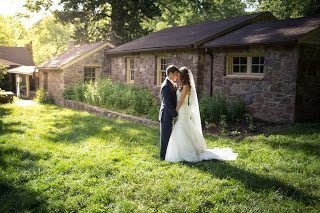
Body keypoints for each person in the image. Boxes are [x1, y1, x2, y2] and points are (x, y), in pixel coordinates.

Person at [165, 67, 238, 162]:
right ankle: (188, 149)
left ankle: (187, 151)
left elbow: (181, 100)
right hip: (181, 110)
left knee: (181, 127)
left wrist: (174, 112)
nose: (177, 76)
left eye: (179, 75)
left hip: (183, 110)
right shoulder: (182, 85)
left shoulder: (186, 85)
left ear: (183, 76)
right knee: (184, 128)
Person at [159, 65, 180, 161]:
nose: (177, 77)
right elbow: (167, 103)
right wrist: (174, 114)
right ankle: (162, 156)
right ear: (170, 74)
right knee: (165, 136)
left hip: (169, 115)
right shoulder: (166, 86)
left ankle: (168, 154)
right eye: (176, 75)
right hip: (166, 115)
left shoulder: (171, 84)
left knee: (169, 135)